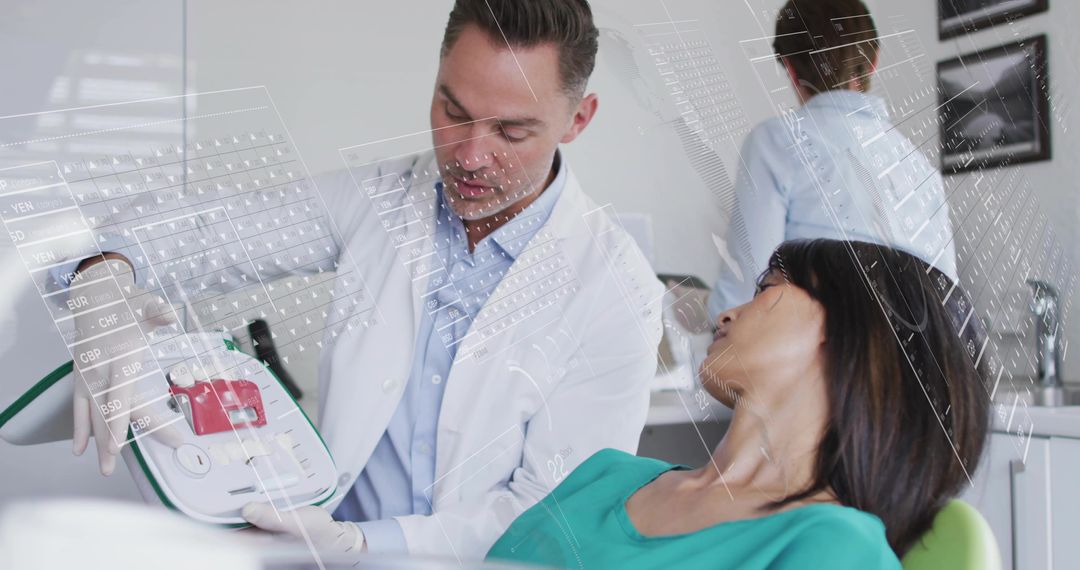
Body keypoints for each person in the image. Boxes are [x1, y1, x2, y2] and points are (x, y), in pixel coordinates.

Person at [53, 0, 663, 559]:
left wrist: (359, 544)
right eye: (453, 111)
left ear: (578, 119)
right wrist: (99, 279)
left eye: (511, 131)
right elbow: (196, 236)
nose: (471, 156)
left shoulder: (618, 291)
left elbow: (558, 513)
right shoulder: (379, 197)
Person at [488, 239, 991, 569]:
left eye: (767, 288)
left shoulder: (835, 547)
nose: (726, 314)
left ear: (853, 332)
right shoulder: (607, 474)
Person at [708, 0, 957, 320]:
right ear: (874, 62)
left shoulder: (776, 142)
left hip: (824, 360)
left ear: (791, 69)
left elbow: (744, 291)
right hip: (909, 366)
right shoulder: (920, 167)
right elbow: (950, 302)